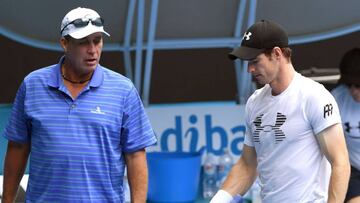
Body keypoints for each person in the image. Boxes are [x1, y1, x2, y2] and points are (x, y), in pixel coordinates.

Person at [1, 7, 156, 203]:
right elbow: (17, 147)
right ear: (65, 43)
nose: (92, 50)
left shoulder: (123, 90)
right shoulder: (32, 85)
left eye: (97, 40)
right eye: (83, 42)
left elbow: (135, 155)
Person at [210, 20, 350, 203]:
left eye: (255, 61)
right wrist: (218, 200)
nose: (250, 69)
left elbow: (340, 163)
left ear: (276, 54)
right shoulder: (254, 102)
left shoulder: (314, 96)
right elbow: (247, 165)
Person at [331, 48, 360, 203]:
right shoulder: (337, 98)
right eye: (350, 85)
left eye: (358, 85)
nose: (353, 90)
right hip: (352, 169)